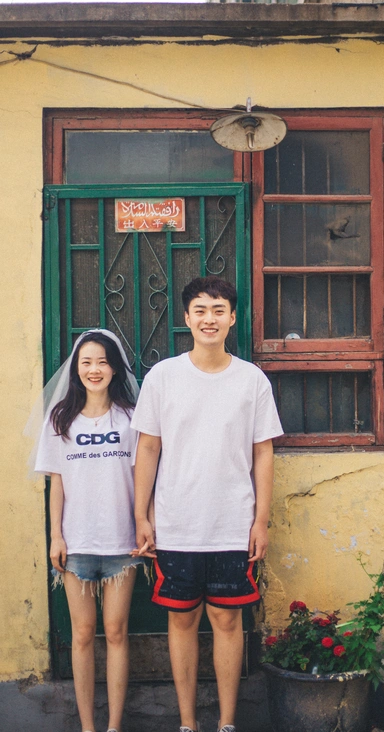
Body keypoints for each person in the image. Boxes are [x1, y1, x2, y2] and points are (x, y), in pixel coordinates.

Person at [131, 277, 283, 732]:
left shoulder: (251, 380)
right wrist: (141, 515)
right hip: (176, 523)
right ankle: (187, 724)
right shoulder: (163, 377)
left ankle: (227, 723)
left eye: (218, 310)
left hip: (232, 523)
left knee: (227, 620)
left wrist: (261, 520)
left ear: (232, 318)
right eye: (200, 310)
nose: (209, 319)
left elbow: (263, 452)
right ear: (186, 318)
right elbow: (148, 448)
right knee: (181, 622)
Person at [33, 329, 143, 732]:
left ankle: (113, 726)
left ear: (115, 368)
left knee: (116, 632)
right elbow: (57, 484)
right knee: (82, 635)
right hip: (76, 543)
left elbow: (142, 477)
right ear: (76, 369)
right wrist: (56, 536)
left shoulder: (132, 419)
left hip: (123, 544)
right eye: (87, 362)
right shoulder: (60, 419)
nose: (94, 370)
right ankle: (88, 727)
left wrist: (144, 526)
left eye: (102, 362)